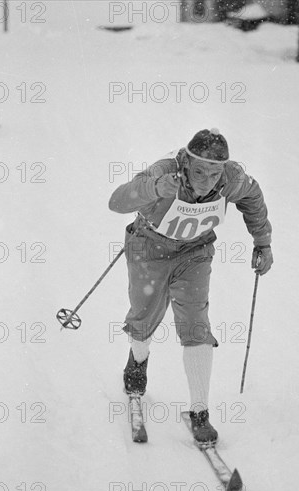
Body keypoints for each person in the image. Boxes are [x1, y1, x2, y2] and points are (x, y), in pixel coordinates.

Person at [108, 128, 273, 443]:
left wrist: (262, 242)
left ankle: (200, 412)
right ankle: (138, 361)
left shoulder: (231, 178)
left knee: (196, 324)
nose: (207, 180)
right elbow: (117, 201)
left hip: (194, 253)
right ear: (185, 163)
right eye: (199, 171)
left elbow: (253, 197)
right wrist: (155, 188)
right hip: (148, 248)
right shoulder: (165, 171)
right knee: (144, 317)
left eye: (214, 173)